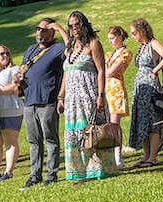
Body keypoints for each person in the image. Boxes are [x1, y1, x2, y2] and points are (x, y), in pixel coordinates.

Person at [58, 11, 117, 182]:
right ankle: (78, 171)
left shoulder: (93, 44)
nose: (74, 28)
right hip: (72, 99)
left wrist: (100, 95)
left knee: (91, 131)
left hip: (88, 94)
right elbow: (66, 73)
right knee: (74, 133)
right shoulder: (70, 48)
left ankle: (97, 169)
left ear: (83, 24)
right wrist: (61, 96)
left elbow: (101, 71)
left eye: (77, 24)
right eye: (70, 26)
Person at [19, 18, 69, 189]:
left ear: (51, 33)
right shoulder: (30, 50)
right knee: (33, 140)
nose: (39, 33)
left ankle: (52, 174)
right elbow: (23, 69)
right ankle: (34, 175)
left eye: (44, 30)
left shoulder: (58, 48)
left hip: (48, 101)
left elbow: (72, 49)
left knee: (50, 139)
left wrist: (60, 28)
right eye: (38, 29)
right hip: (29, 100)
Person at [128, 17, 163, 167]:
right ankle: (146, 155)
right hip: (140, 88)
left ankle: (152, 157)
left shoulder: (153, 43)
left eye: (135, 33)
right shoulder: (142, 46)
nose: (133, 36)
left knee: (153, 121)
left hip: (150, 87)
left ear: (142, 30)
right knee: (144, 122)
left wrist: (155, 70)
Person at [0, 45, 24, 182]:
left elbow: (16, 86)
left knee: (10, 141)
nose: (5, 56)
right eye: (1, 54)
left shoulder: (13, 70)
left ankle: (8, 172)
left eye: (7, 53)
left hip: (11, 108)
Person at [105, 26, 133, 168]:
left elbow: (110, 71)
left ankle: (118, 155)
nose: (110, 41)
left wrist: (105, 72)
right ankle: (113, 152)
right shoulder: (109, 54)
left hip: (116, 89)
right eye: (109, 38)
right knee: (109, 124)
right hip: (106, 89)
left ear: (120, 37)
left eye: (113, 38)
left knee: (114, 123)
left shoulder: (126, 53)